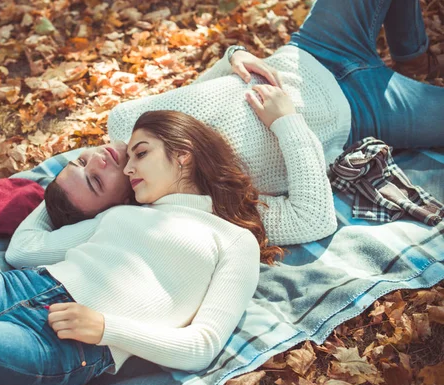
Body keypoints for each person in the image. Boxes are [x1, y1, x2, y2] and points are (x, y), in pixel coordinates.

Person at [0, 109, 282, 385]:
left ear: (184, 157)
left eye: (141, 154)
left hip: (51, 348)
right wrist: (65, 172)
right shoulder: (124, 214)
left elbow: (202, 345)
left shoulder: (233, 240)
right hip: (6, 290)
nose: (127, 169)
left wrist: (108, 328)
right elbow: (24, 250)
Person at [46, 0, 444, 246]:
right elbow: (313, 220)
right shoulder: (195, 207)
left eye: (80, 162)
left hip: (314, 47)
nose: (96, 160)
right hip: (360, 110)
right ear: (120, 208)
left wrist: (232, 56)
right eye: (96, 181)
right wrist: (287, 122)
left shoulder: (125, 119)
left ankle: (412, 57)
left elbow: (196, 95)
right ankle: (410, 67)